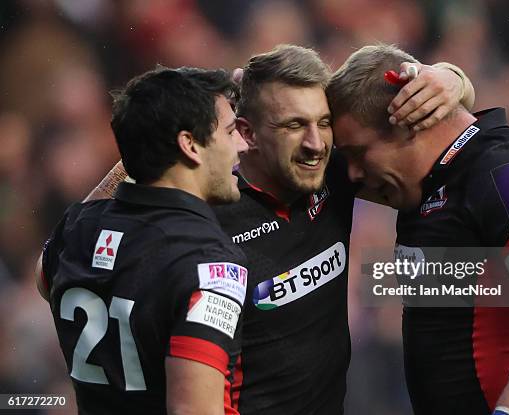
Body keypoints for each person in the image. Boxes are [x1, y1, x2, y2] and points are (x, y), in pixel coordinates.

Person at [78, 44, 475, 414]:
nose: (316, 143)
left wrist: (453, 79)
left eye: (323, 122)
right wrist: (150, 146)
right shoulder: (197, 219)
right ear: (247, 133)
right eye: (294, 125)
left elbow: (443, 138)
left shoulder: (335, 173)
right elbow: (68, 254)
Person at [328, 44, 509, 415]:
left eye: (357, 154)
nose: (352, 174)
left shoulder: (506, 168)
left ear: (410, 118)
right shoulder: (425, 186)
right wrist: (454, 76)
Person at [35, 67, 249, 414]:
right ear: (190, 145)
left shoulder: (77, 229)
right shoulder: (210, 262)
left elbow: (43, 277)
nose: (241, 144)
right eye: (229, 132)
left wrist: (145, 145)